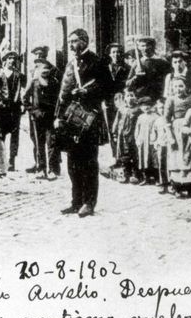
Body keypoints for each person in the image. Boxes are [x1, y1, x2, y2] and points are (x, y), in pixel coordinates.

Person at [54, 28, 106, 218]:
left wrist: (87, 92)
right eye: (70, 42)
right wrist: (58, 117)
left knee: (89, 161)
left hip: (88, 118)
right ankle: (76, 201)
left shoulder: (97, 62)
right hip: (70, 119)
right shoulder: (70, 64)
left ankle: (88, 202)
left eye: (75, 41)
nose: (71, 45)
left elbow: (106, 88)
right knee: (72, 162)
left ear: (85, 41)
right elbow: (63, 93)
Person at [23, 60, 61, 179]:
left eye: (47, 69)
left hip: (51, 117)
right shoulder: (34, 82)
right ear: (38, 71)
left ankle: (52, 170)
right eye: (42, 69)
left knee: (52, 143)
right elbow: (24, 98)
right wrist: (32, 111)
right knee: (39, 144)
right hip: (37, 118)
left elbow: (59, 101)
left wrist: (57, 115)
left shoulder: (54, 83)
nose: (45, 72)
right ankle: (41, 169)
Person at [164, 76, 191, 197]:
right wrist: (170, 135)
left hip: (188, 129)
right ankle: (177, 186)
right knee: (176, 156)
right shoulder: (170, 100)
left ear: (186, 87)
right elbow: (166, 118)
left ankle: (190, 186)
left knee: (188, 155)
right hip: (176, 130)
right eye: (175, 86)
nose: (178, 89)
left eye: (181, 86)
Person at [102, 43, 130, 156]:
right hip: (108, 101)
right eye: (113, 52)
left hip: (121, 100)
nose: (116, 54)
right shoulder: (104, 69)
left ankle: (123, 156)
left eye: (118, 52)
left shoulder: (127, 68)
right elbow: (101, 85)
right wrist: (103, 101)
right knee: (110, 128)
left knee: (121, 126)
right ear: (109, 54)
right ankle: (115, 156)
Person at [0, 51, 26, 171]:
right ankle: (1, 159)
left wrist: (22, 103)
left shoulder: (19, 74)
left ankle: (12, 161)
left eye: (13, 58)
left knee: (15, 134)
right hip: (2, 107)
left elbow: (23, 89)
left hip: (15, 107)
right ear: (5, 59)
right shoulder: (0, 73)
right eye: (9, 58)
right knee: (1, 133)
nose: (11, 61)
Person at [126, 36, 170, 101]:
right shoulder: (136, 64)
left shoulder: (162, 62)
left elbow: (167, 82)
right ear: (139, 48)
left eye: (148, 45)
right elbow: (128, 85)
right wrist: (136, 76)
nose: (145, 48)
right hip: (140, 99)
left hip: (157, 99)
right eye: (142, 46)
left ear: (153, 46)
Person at [112, 87, 140, 184]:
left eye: (132, 95)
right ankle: (126, 173)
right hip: (123, 135)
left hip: (133, 135)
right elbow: (117, 121)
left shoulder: (137, 109)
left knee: (135, 154)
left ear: (135, 97)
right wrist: (115, 131)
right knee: (124, 155)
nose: (130, 98)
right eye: (128, 96)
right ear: (124, 98)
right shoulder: (121, 109)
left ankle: (136, 174)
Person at [134, 96, 158, 185]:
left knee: (153, 159)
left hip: (152, 141)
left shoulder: (156, 116)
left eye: (148, 105)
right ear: (140, 107)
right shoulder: (140, 117)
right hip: (143, 141)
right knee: (143, 159)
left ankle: (156, 178)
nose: (146, 107)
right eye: (143, 106)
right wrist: (137, 139)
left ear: (151, 106)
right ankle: (146, 178)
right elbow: (137, 129)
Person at [152, 98, 169, 194]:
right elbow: (154, 133)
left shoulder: (171, 118)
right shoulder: (157, 120)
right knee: (161, 165)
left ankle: (173, 185)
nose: (162, 110)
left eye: (164, 107)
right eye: (160, 108)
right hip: (161, 145)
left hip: (170, 145)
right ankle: (164, 184)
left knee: (170, 165)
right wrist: (155, 142)